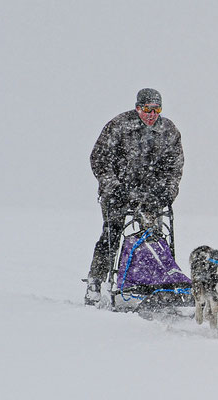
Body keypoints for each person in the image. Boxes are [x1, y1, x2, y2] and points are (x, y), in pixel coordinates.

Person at [84, 88, 184, 305]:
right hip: (119, 191)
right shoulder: (119, 125)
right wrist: (113, 187)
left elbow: (174, 167)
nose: (152, 114)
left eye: (157, 110)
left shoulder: (169, 131)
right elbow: (99, 158)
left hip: (150, 195)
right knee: (112, 232)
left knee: (154, 236)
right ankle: (96, 281)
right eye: (147, 109)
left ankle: (155, 283)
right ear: (138, 107)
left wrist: (167, 191)